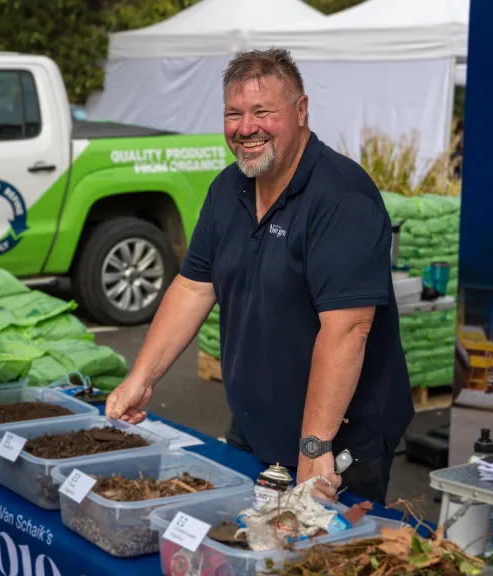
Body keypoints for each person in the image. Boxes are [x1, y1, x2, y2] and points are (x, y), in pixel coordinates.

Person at [106, 48, 414, 505]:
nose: (246, 128)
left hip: (338, 443)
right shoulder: (227, 188)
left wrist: (314, 444)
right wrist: (142, 378)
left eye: (262, 111)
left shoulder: (341, 196)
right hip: (254, 428)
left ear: (301, 110)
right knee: (250, 550)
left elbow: (348, 327)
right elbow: (194, 286)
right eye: (234, 113)